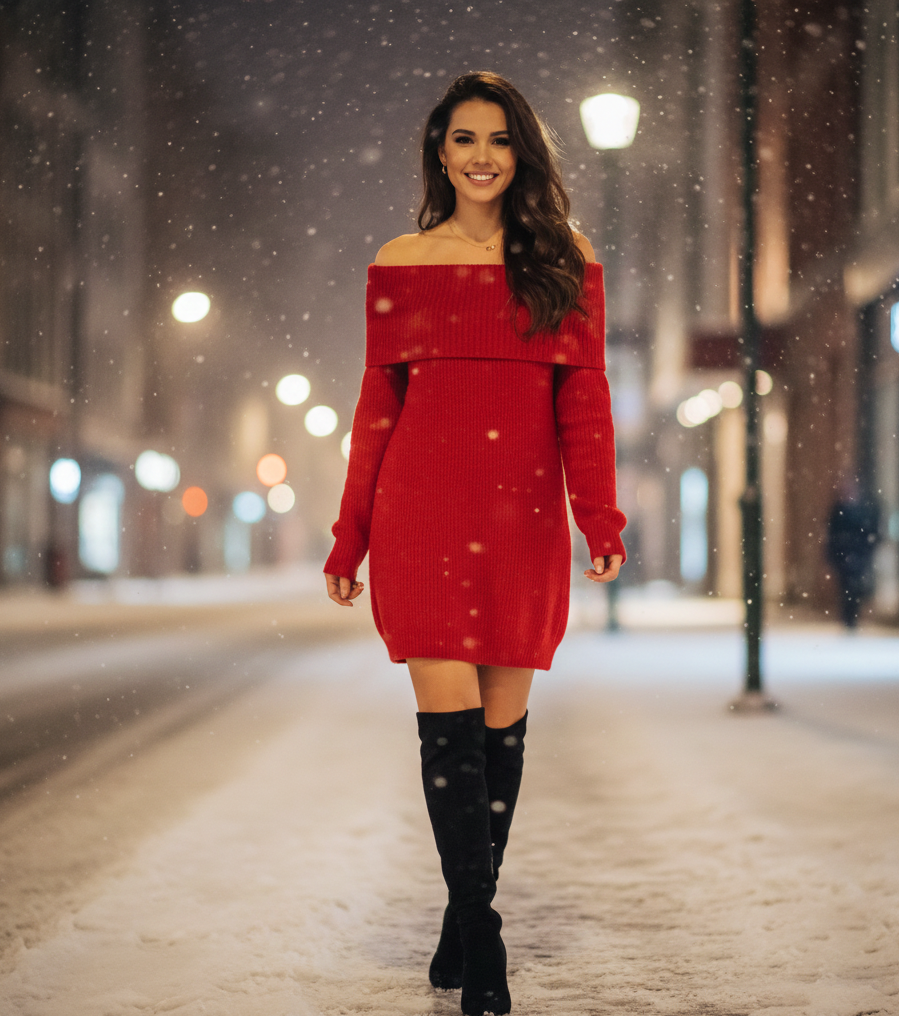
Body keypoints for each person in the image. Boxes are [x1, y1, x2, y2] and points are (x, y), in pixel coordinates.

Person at [324, 71, 626, 1016]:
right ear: (438, 152)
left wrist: (599, 516)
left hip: (521, 514)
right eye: (463, 139)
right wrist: (351, 534)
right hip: (423, 509)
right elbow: (377, 411)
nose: (482, 156)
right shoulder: (401, 260)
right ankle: (483, 933)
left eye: (498, 139)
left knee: (500, 735)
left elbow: (585, 405)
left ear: (521, 152)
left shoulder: (563, 262)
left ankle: (462, 910)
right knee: (447, 732)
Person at [826, 480, 880, 629]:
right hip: (846, 556)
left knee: (853, 588)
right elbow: (832, 535)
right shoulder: (840, 510)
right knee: (847, 588)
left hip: (855, 555)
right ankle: (848, 619)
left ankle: (851, 619)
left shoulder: (859, 510)